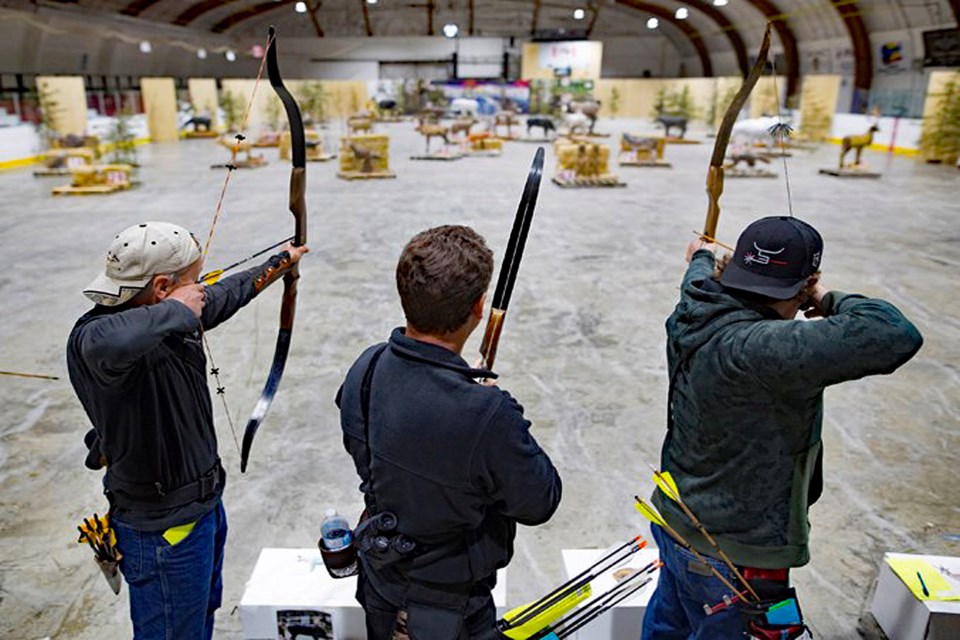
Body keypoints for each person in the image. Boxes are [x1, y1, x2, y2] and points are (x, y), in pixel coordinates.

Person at [642, 216, 923, 639]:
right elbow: (894, 332)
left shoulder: (693, 305)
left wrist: (702, 255)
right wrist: (824, 297)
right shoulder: (768, 349)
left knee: (668, 626)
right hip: (736, 556)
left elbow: (697, 269)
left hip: (674, 520)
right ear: (806, 280)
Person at [67, 221, 308, 639]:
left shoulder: (167, 316)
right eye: (193, 282)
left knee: (197, 622)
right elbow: (108, 342)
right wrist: (178, 309)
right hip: (162, 533)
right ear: (162, 287)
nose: (200, 291)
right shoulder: (96, 338)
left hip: (203, 511)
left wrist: (280, 263)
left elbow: (227, 294)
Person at [336, 225, 562, 639]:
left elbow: (364, 448)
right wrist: (492, 416)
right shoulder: (487, 413)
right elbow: (539, 501)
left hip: (381, 584)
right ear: (479, 307)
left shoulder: (366, 368)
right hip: (453, 608)